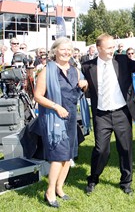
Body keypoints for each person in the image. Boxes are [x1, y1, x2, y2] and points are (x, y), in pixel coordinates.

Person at [81, 33, 135, 196]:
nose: (112, 50)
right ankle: (93, 179)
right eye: (109, 48)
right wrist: (82, 83)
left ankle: (126, 182)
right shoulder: (87, 66)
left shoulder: (122, 61)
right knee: (101, 150)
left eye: (113, 47)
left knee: (125, 148)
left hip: (122, 113)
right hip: (101, 115)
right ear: (99, 48)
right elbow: (81, 81)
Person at [34, 37, 88, 208]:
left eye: (69, 49)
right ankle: (49, 191)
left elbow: (79, 91)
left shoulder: (75, 70)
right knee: (58, 156)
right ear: (54, 51)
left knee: (68, 155)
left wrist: (85, 85)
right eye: (63, 49)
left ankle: (59, 188)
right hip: (54, 118)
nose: (67, 52)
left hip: (71, 117)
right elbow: (38, 96)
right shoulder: (46, 71)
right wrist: (56, 107)